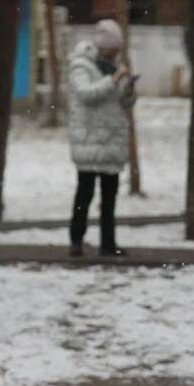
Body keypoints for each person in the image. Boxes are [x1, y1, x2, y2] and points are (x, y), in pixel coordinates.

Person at [67, 19, 137, 257]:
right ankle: (76, 240)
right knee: (84, 194)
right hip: (89, 140)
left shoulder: (113, 66)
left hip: (112, 140)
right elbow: (87, 95)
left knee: (110, 197)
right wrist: (114, 80)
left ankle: (108, 243)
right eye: (113, 48)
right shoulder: (81, 66)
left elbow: (124, 103)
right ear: (103, 46)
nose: (116, 53)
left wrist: (128, 90)